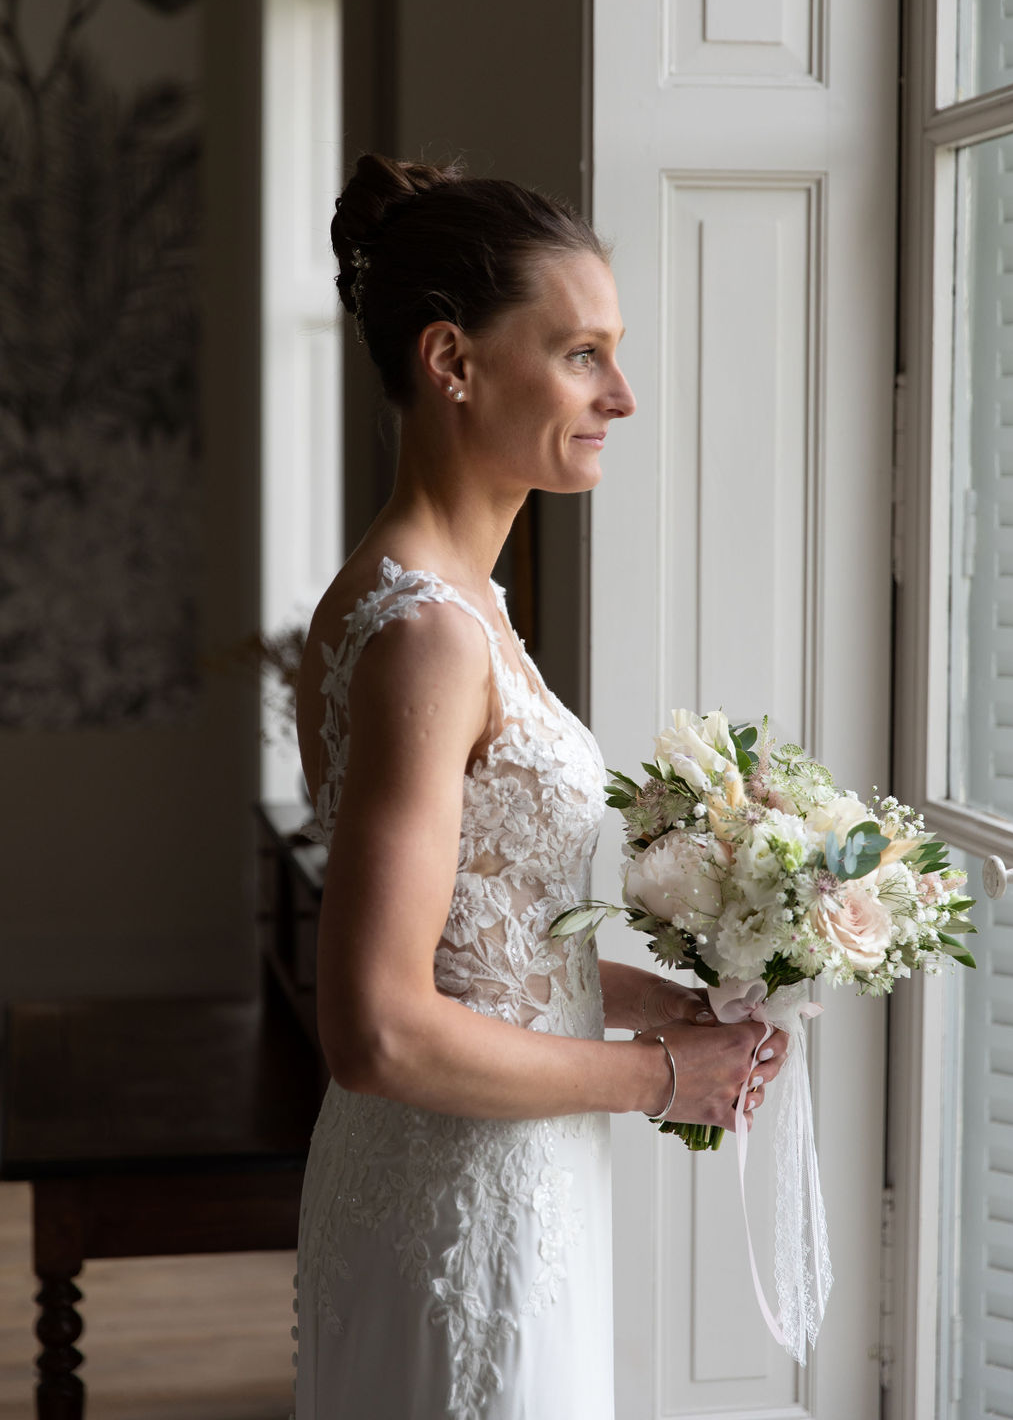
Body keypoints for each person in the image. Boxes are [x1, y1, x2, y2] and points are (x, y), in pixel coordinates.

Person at [291, 154, 789, 1420]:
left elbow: (468, 947)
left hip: (492, 1178)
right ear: (451, 360)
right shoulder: (426, 633)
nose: (621, 394)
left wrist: (647, 1002)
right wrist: (661, 1077)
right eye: (580, 354)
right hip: (459, 1201)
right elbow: (378, 1028)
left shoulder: (429, 603)